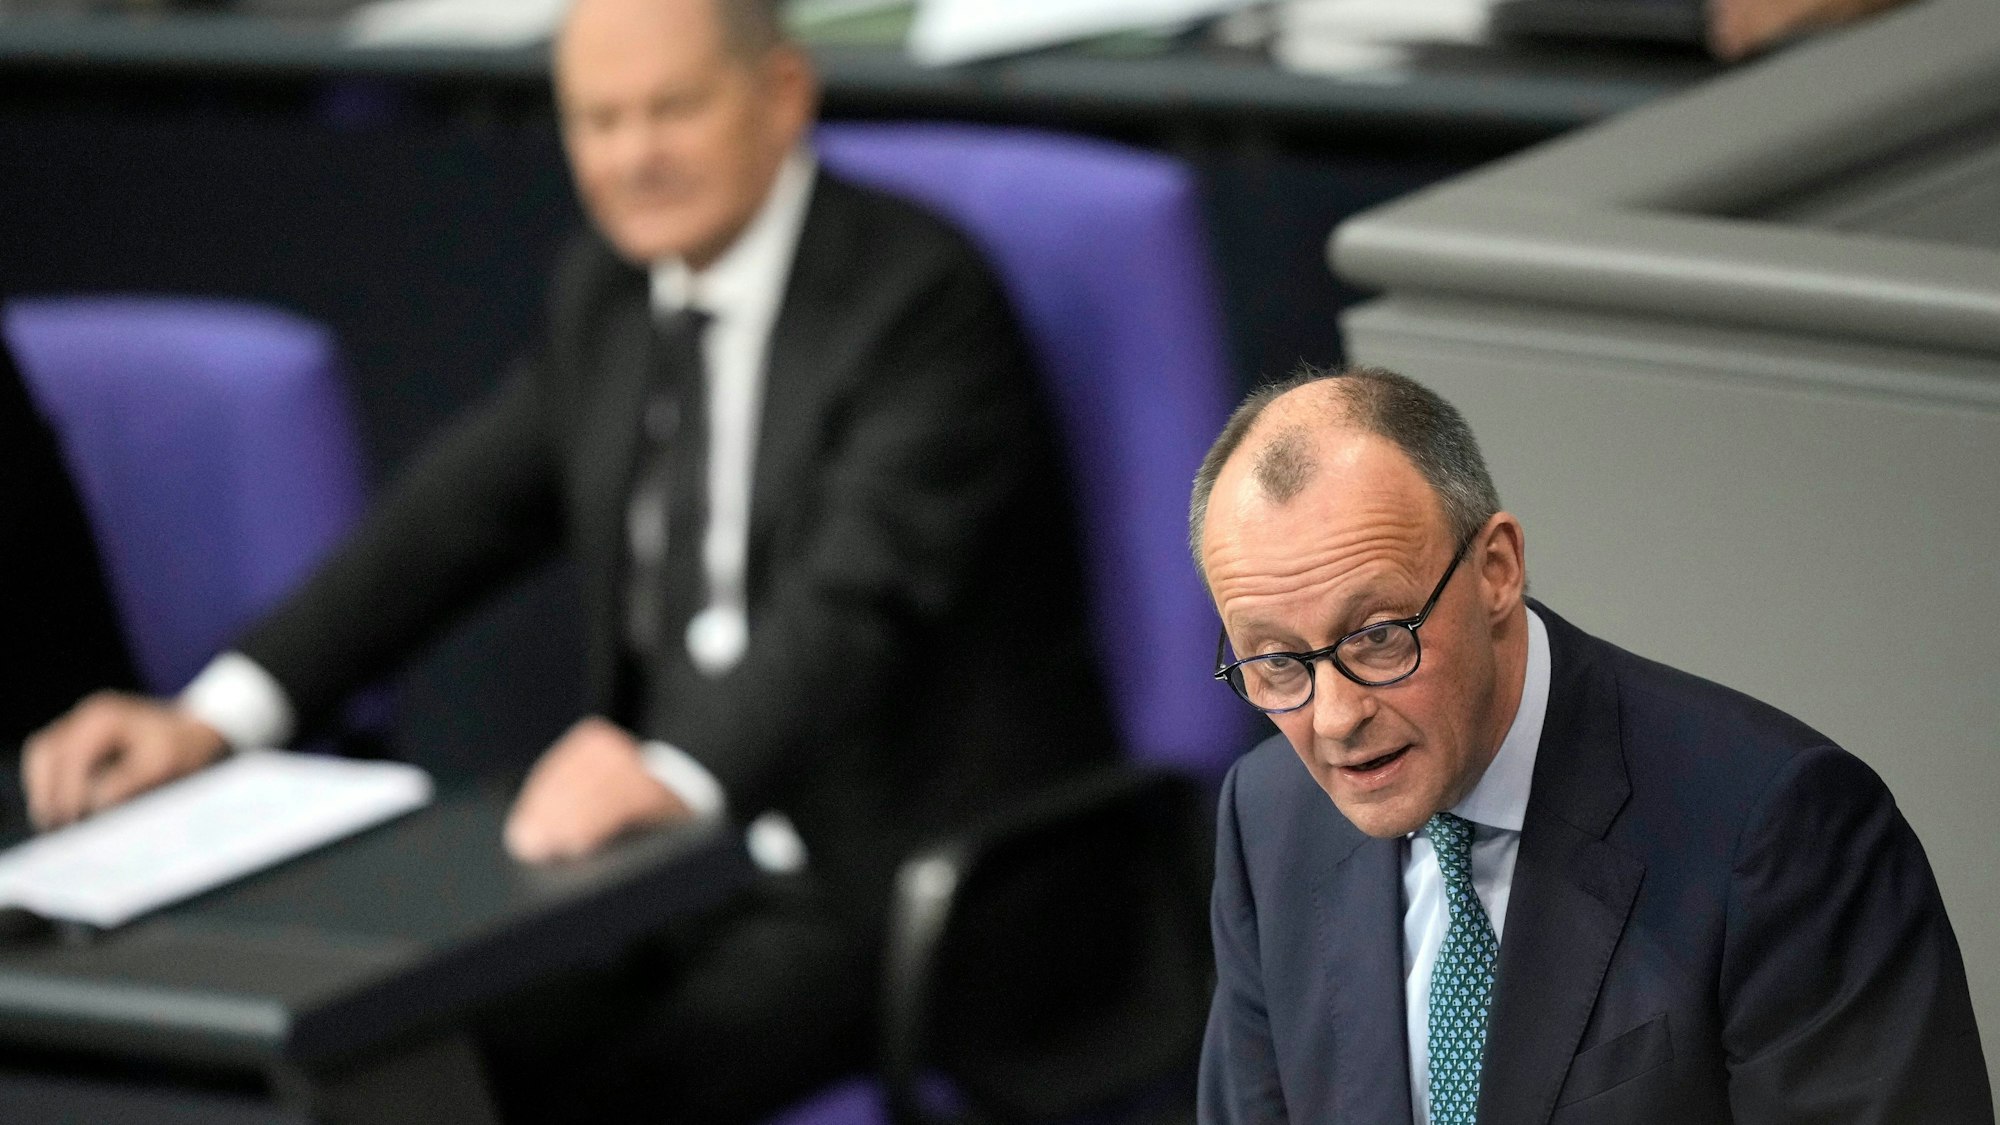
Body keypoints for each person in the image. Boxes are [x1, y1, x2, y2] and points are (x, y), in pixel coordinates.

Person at [20, 0, 1113, 1119]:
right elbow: (445, 524)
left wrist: (672, 770)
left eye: (670, 109)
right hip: (661, 878)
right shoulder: (607, 292)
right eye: (597, 121)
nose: (633, 156)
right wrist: (215, 715)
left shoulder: (916, 295)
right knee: (399, 1049)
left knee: (577, 1088)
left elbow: (854, 605)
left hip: (877, 869)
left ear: (782, 94)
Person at [1191, 364, 1989, 1123]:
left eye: (1377, 637)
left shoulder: (1780, 831)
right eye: (1274, 662)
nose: (1333, 717)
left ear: (1497, 569)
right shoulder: (1269, 817)